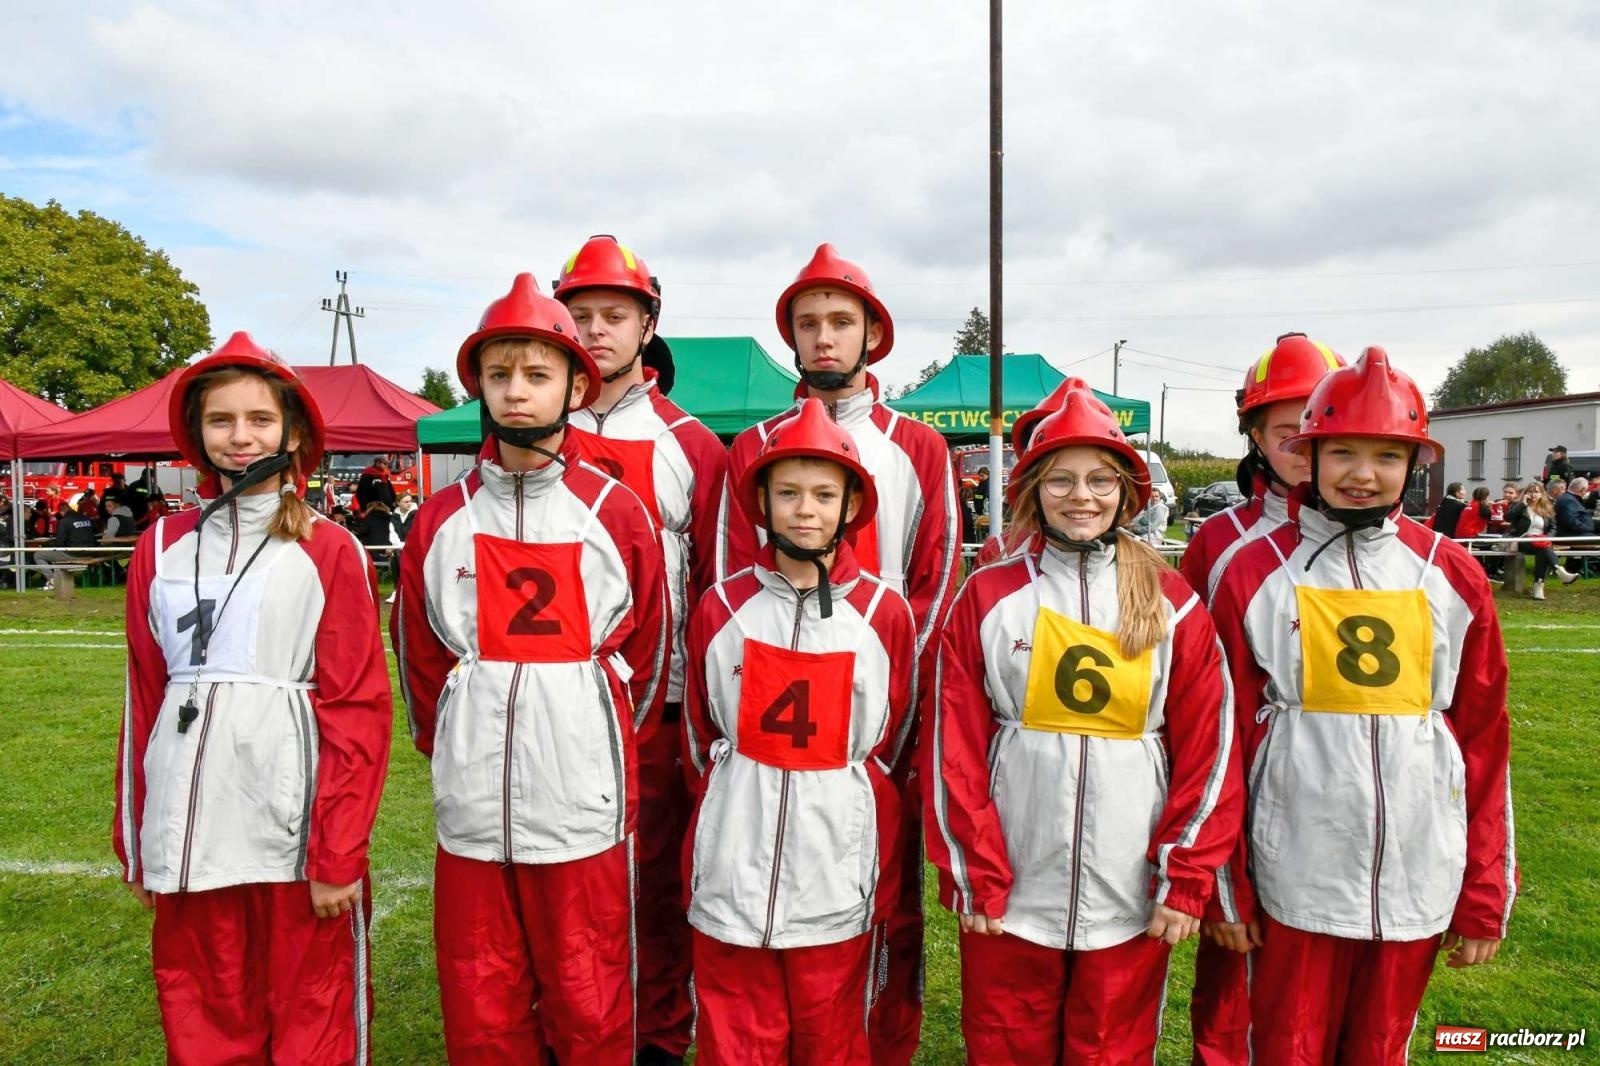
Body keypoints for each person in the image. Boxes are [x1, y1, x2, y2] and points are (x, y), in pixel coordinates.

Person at [1208, 346, 1517, 1062]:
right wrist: (1227, 885)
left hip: (1417, 867)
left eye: (1386, 456)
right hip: (1293, 869)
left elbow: (1482, 740)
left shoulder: (1453, 575)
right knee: (1282, 1046)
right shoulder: (1250, 571)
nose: (1362, 474)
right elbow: (1219, 744)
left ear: (1414, 465)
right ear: (1308, 455)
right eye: (1342, 452)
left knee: (1381, 1048)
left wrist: (1483, 887)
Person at [392, 273, 669, 1064]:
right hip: (475, 798)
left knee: (589, 985)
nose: (517, 391)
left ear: (575, 386)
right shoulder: (440, 518)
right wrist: (453, 743)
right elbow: (420, 654)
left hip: (581, 796)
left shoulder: (616, 511)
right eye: (500, 374)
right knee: (481, 989)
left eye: (538, 374)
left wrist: (600, 740)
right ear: (477, 384)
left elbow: (649, 653)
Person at [927, 382, 1241, 1063]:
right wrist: (977, 868)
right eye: (1061, 480)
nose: (1082, 496)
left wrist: (1185, 875)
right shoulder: (987, 595)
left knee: (1111, 1049)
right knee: (1006, 1044)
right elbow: (953, 746)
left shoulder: (1173, 602)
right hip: (1015, 880)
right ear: (1034, 490)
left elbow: (1210, 750)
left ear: (1127, 492)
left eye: (1100, 480)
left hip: (1128, 885)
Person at [112, 331, 393, 1062]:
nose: (241, 437)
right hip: (189, 820)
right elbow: (143, 698)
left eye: (260, 419)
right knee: (202, 1013)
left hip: (290, 828)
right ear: (197, 433)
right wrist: (140, 840)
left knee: (312, 1015)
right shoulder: (159, 546)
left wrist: (338, 851)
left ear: (292, 432)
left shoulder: (330, 547)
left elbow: (357, 709)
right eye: (222, 420)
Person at [718, 244, 959, 1064]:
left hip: (876, 719)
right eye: (808, 322)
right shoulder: (753, 445)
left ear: (872, 334)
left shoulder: (918, 447)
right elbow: (728, 583)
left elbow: (934, 584)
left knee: (883, 898)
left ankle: (879, 1042)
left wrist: (889, 715)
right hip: (769, 709)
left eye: (841, 321)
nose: (824, 337)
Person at [683, 398, 915, 1065]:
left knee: (830, 1035)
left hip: (834, 862)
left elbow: (892, 742)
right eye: (787, 493)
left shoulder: (884, 613)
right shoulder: (722, 605)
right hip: (735, 853)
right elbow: (700, 737)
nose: (805, 510)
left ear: (851, 506)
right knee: (736, 1036)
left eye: (823, 494)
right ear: (761, 501)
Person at [554, 234, 730, 1064]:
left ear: (647, 325)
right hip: (555, 705)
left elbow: (720, 589)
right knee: (565, 886)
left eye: (613, 316)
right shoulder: (528, 428)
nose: (594, 331)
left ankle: (658, 1037)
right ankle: (572, 1030)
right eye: (580, 315)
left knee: (657, 883)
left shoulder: (692, 444)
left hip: (658, 709)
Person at [1172, 332, 1343, 1066]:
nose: (1306, 444)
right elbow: (1204, 723)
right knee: (1238, 1018)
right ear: (1253, 436)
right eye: (1286, 430)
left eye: (1322, 425)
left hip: (1356, 848)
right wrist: (1220, 878)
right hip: (1248, 835)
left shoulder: (1409, 554)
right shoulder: (1221, 545)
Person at [1505, 481, 1576, 598]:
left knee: (1542, 550)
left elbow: (1553, 527)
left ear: (1542, 494)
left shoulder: (1547, 508)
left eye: (1537, 492)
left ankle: (1539, 586)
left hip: (1542, 540)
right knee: (1543, 549)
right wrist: (1522, 505)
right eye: (1530, 492)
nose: (1533, 495)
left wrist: (1548, 537)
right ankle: (1549, 579)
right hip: (1522, 539)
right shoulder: (1518, 506)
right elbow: (1508, 518)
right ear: (1526, 493)